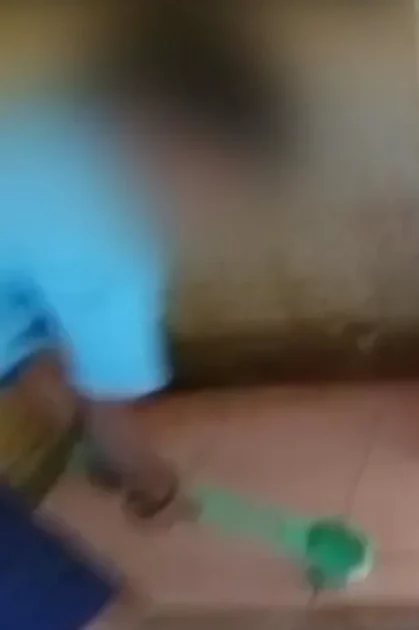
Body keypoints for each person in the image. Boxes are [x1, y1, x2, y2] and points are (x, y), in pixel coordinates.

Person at [0, 3, 284, 627]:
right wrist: (154, 485)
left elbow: (18, 350)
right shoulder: (114, 234)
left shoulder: (42, 112)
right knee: (112, 619)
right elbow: (111, 425)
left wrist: (89, 439)